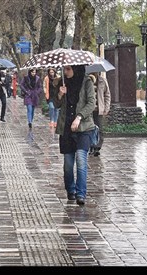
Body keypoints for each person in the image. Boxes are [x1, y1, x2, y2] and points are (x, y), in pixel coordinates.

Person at [54, 65, 96, 205]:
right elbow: (56, 104)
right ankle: (70, 190)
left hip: (84, 128)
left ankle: (81, 193)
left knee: (81, 159)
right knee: (68, 164)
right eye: (64, 69)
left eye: (68, 69)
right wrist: (60, 94)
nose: (65, 72)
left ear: (76, 69)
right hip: (66, 129)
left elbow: (91, 103)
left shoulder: (87, 82)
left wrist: (79, 117)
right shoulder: (62, 83)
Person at [89, 73, 111, 156]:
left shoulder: (102, 81)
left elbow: (107, 95)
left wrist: (106, 108)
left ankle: (97, 147)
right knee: (90, 129)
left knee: (100, 129)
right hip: (89, 110)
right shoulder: (88, 80)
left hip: (99, 109)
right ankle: (91, 146)